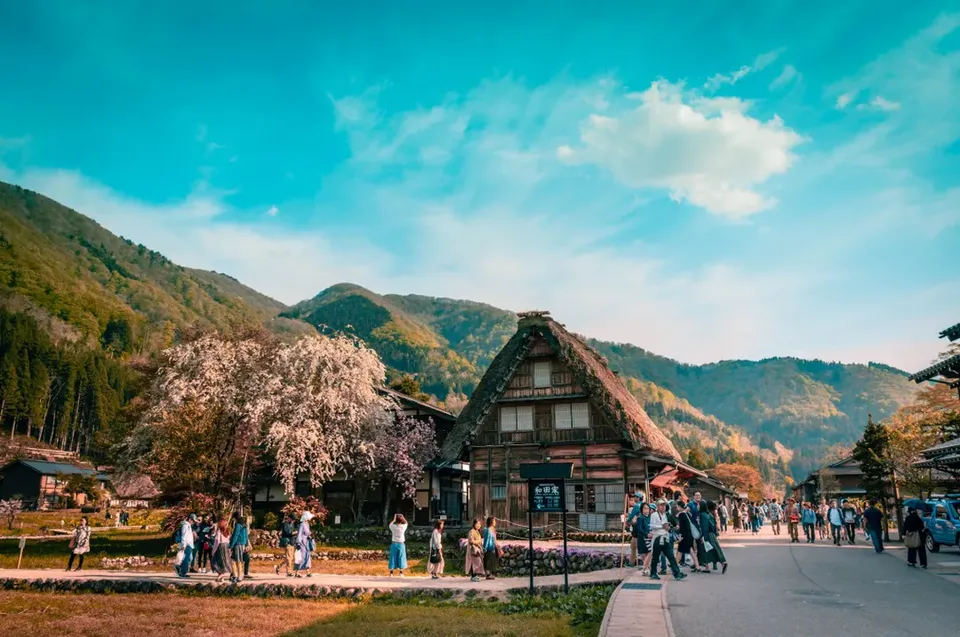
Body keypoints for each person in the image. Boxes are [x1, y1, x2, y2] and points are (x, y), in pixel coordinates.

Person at [649, 499, 686, 581]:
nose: (663, 507)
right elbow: (652, 526)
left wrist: (668, 527)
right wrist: (662, 526)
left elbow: (665, 526)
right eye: (661, 505)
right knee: (655, 557)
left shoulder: (665, 515)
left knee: (671, 557)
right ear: (658, 507)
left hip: (665, 537)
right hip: (657, 537)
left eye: (664, 505)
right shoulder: (654, 515)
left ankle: (677, 573)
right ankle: (653, 573)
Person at [700, 501, 728, 574]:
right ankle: (723, 563)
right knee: (715, 550)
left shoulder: (702, 515)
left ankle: (707, 567)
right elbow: (714, 524)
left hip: (707, 535)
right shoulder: (709, 514)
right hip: (712, 535)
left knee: (705, 550)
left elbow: (704, 527)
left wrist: (704, 537)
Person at [210, 516, 232, 583]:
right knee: (224, 563)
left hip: (220, 547)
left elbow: (217, 541)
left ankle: (221, 575)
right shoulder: (228, 531)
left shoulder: (219, 531)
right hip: (226, 547)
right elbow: (228, 540)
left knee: (216, 562)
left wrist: (213, 551)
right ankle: (221, 578)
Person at [228, 511, 248, 583]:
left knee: (236, 561)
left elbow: (235, 536)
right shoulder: (244, 524)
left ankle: (237, 576)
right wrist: (246, 544)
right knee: (237, 560)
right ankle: (238, 576)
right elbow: (246, 536)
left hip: (237, 544)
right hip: (242, 544)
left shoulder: (238, 525)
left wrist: (231, 545)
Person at [175, 513, 196, 578]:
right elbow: (184, 536)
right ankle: (183, 572)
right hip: (186, 545)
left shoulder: (188, 525)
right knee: (186, 559)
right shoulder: (185, 526)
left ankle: (179, 568)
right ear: (190, 519)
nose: (194, 522)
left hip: (189, 544)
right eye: (193, 520)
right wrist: (184, 545)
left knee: (190, 558)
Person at [294, 511, 314, 578]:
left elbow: (307, 533)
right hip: (302, 542)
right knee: (301, 557)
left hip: (307, 542)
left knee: (307, 556)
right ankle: (297, 572)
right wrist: (298, 543)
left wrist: (310, 536)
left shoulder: (307, 524)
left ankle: (308, 571)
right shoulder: (302, 524)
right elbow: (299, 534)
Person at [634, 502, 652, 574]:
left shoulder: (649, 517)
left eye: (648, 508)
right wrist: (646, 534)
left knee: (649, 552)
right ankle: (645, 568)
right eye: (645, 508)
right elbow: (639, 529)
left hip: (649, 538)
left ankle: (645, 568)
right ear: (641, 509)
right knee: (644, 553)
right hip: (642, 538)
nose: (646, 510)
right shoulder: (640, 518)